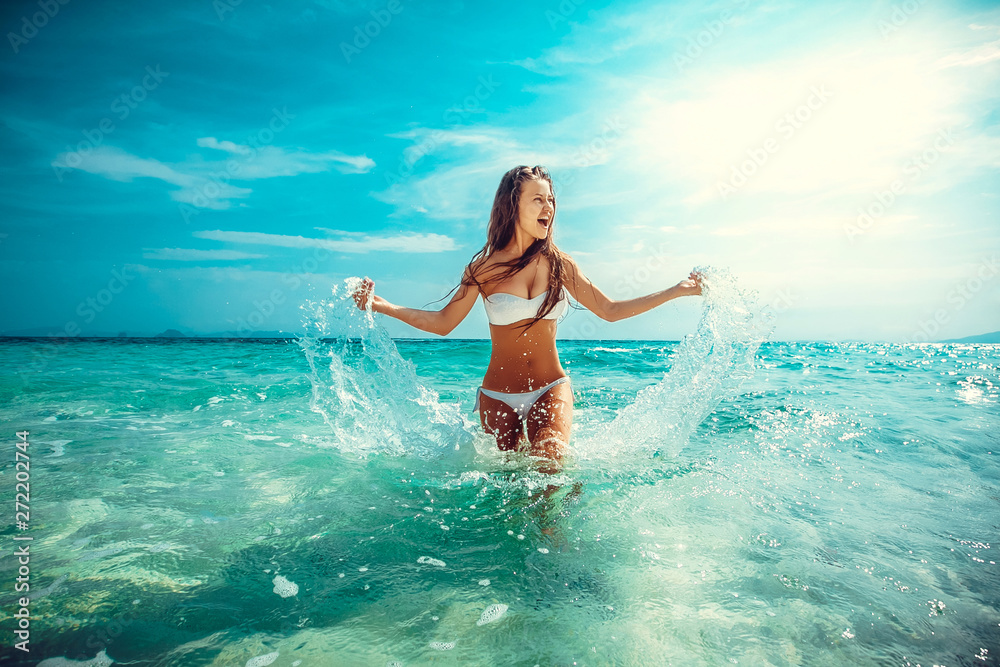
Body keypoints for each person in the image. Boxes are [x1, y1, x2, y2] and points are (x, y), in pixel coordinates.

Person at [352, 165, 702, 470]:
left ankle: (555, 542)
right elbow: (443, 323)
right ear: (513, 205)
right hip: (497, 394)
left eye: (550, 200)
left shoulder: (560, 264)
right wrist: (383, 306)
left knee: (550, 464)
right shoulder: (483, 269)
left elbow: (609, 311)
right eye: (538, 199)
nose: (548, 206)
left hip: (551, 388)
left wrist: (676, 290)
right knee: (503, 488)